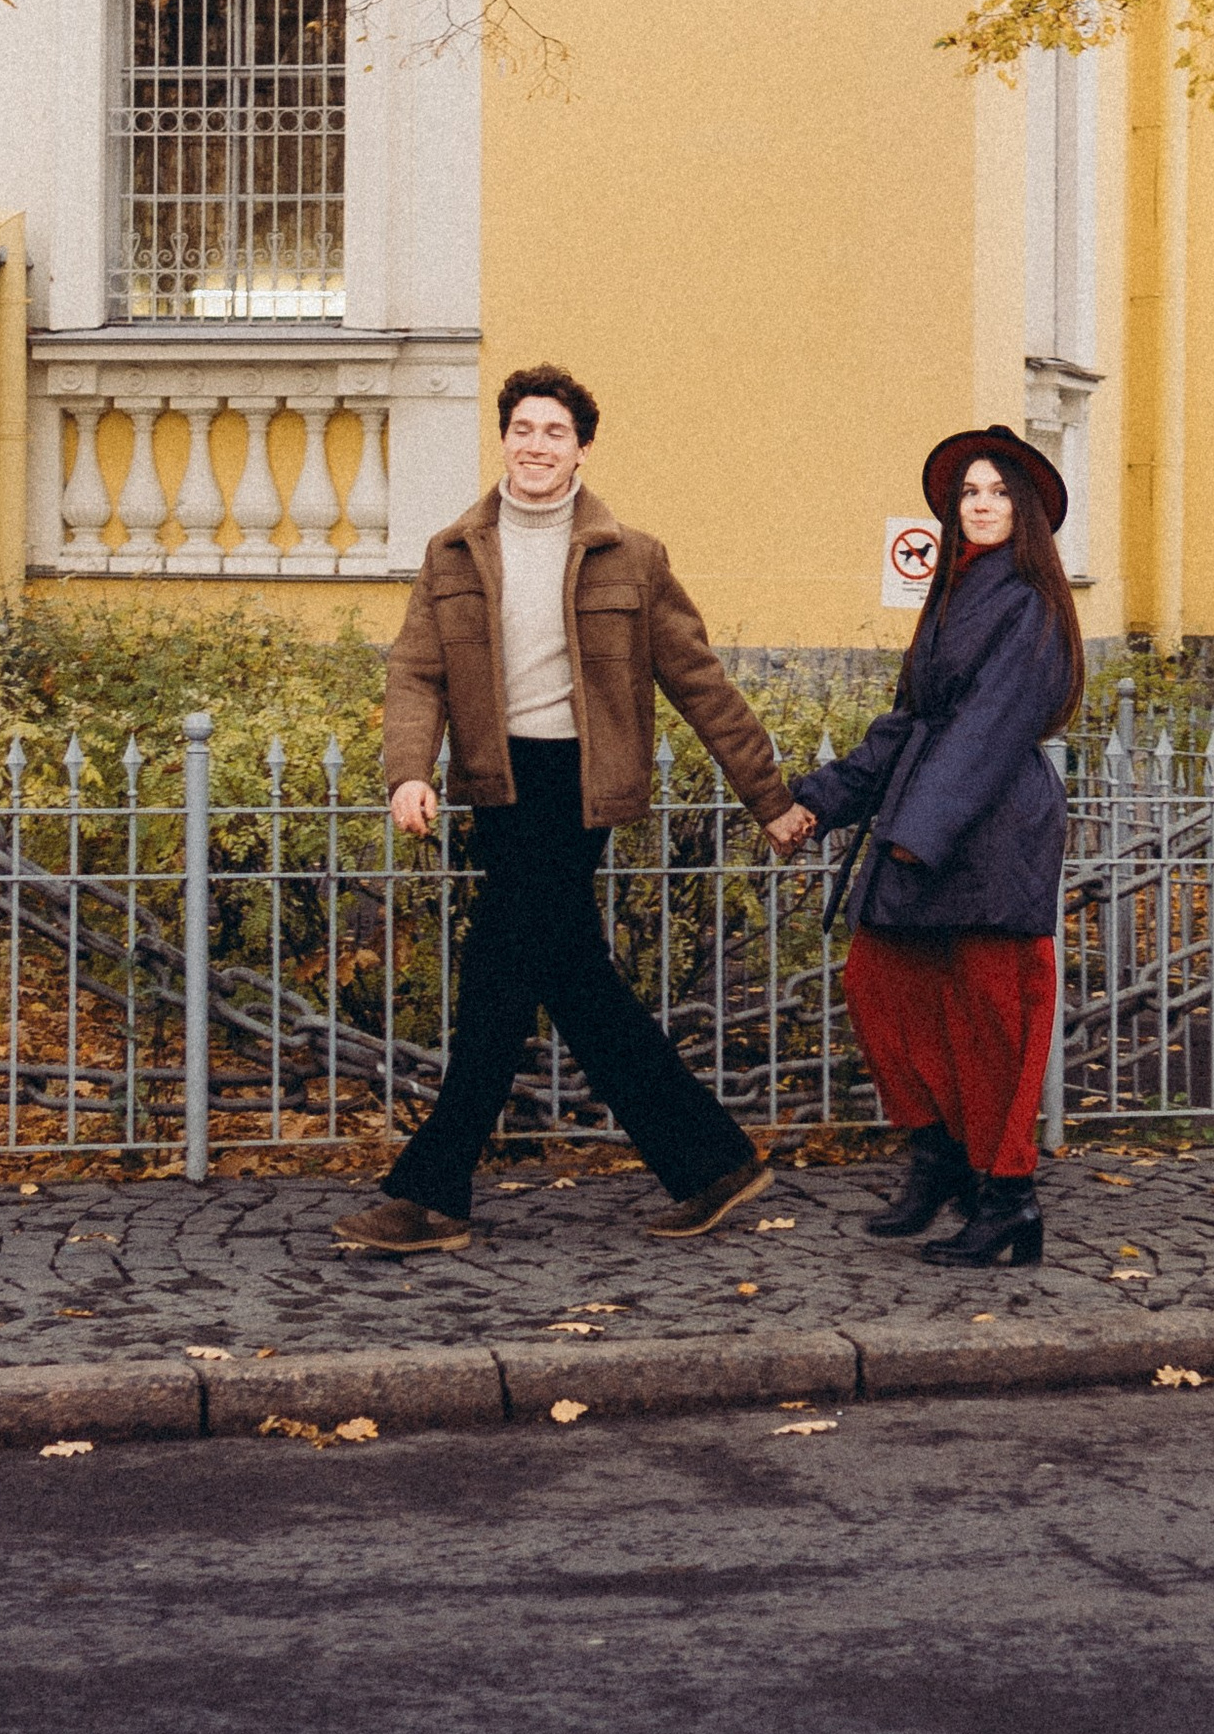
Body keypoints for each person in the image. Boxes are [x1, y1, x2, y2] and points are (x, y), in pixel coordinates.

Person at [335, 364, 818, 1252]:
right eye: (523, 429)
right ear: (505, 439)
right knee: (557, 980)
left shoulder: (631, 556)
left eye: (555, 432)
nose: (536, 446)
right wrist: (410, 769)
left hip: (577, 788)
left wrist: (771, 798)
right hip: (498, 784)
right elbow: (416, 672)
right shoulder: (452, 554)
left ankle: (431, 1196)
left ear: (581, 449)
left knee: (502, 978)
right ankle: (712, 1162)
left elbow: (700, 682)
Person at [788, 427, 1084, 1271]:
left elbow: (989, 729)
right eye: (968, 493)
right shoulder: (953, 596)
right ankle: (940, 1155)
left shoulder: (1027, 601)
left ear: (1022, 511)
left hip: (987, 835)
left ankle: (1007, 1198)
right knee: (881, 986)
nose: (979, 504)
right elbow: (911, 725)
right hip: (933, 826)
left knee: (994, 1020)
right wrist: (818, 800)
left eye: (995, 492)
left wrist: (917, 837)